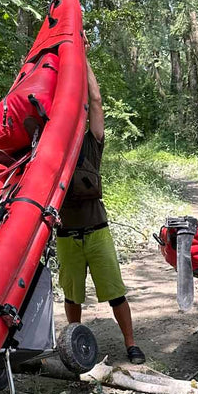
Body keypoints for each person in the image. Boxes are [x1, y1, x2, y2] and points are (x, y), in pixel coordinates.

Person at [56, 48, 146, 365]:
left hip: (97, 233)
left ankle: (131, 344)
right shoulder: (51, 151)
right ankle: (73, 343)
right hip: (66, 236)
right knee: (72, 296)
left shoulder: (91, 145)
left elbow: (96, 102)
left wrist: (83, 60)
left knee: (115, 293)